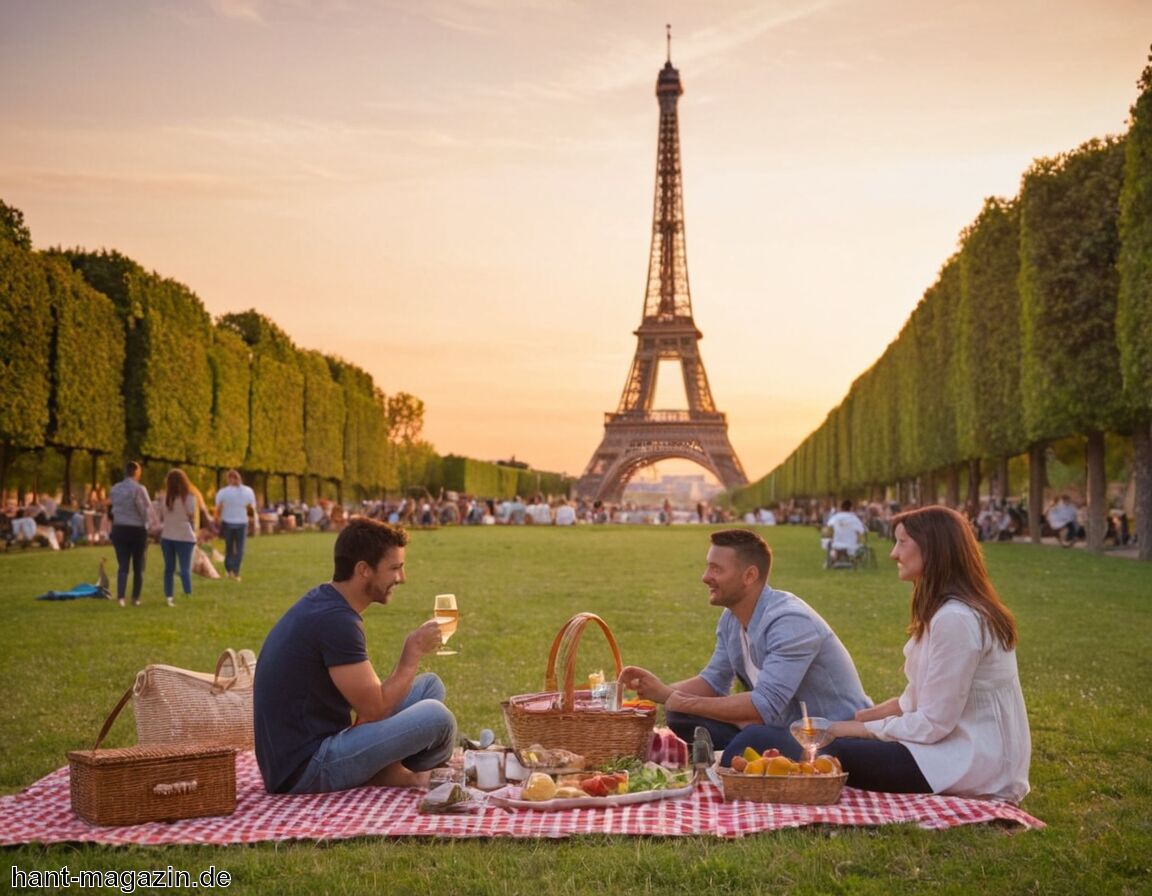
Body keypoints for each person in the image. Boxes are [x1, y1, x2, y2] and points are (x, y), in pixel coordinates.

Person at [724, 505, 1031, 804]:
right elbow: (918, 699)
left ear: (933, 549)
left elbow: (934, 722)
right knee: (808, 743)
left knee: (822, 749)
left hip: (964, 763)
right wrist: (862, 718)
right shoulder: (950, 613)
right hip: (956, 752)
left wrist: (851, 729)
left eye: (901, 542)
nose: (893, 553)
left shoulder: (955, 620)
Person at [253, 518, 457, 794]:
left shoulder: (325, 601)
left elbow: (367, 708)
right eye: (394, 568)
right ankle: (405, 775)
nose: (402, 578)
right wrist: (413, 651)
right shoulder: (336, 621)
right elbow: (374, 709)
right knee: (437, 718)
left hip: (305, 751)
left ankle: (386, 770)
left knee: (430, 686)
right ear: (363, 570)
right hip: (305, 768)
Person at [620, 529, 871, 750]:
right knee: (681, 716)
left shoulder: (790, 622)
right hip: (783, 726)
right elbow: (713, 681)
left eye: (716, 569)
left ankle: (742, 752)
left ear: (749, 576)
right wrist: (649, 693)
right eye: (708, 566)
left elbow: (764, 706)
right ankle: (741, 751)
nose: (705, 577)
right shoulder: (731, 619)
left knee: (751, 738)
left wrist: (673, 697)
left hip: (831, 735)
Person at [108, 461, 152, 607]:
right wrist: (149, 524)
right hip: (136, 530)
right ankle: (135, 598)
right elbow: (145, 510)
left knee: (123, 565)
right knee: (138, 565)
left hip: (119, 529)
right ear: (136, 472)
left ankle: (121, 597)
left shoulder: (115, 489)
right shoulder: (139, 489)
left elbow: (114, 508)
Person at [158, 469, 199, 607]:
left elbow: (161, 516)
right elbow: (191, 515)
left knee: (169, 568)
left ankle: (169, 596)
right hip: (185, 535)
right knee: (185, 568)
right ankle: (188, 593)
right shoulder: (190, 497)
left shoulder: (165, 498)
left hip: (167, 535)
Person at [214, 469, 258, 581]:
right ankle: (234, 571)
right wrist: (253, 522)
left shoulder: (223, 492)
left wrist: (216, 520)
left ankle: (231, 570)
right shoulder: (247, 491)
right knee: (238, 549)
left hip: (232, 522)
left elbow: (218, 508)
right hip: (239, 523)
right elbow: (251, 508)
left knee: (230, 548)